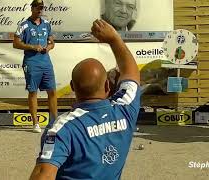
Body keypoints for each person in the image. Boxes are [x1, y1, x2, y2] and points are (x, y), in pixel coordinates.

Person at [29, 19, 141, 179]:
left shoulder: (61, 129)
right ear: (108, 87)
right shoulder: (125, 109)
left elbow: (43, 175)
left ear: (72, 87)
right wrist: (114, 39)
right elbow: (132, 73)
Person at [13, 0, 57, 133]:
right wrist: (32, 47)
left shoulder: (47, 24)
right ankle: (35, 124)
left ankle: (54, 121)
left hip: (46, 62)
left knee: (52, 91)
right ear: (32, 8)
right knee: (33, 92)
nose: (40, 10)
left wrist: (48, 48)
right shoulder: (24, 25)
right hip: (31, 62)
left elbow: (52, 42)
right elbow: (15, 43)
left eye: (42, 8)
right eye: (37, 7)